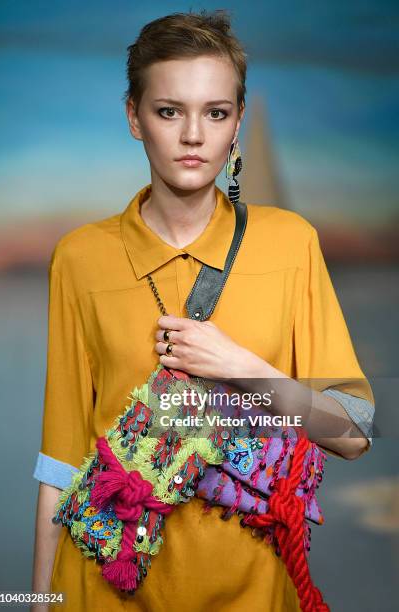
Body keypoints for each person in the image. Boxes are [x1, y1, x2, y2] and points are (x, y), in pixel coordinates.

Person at [31, 10, 375, 612]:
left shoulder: (290, 242)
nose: (194, 135)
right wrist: (36, 602)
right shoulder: (80, 258)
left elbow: (356, 430)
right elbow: (60, 459)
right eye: (169, 111)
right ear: (134, 118)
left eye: (216, 112)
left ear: (238, 122)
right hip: (102, 590)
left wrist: (238, 366)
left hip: (255, 591)